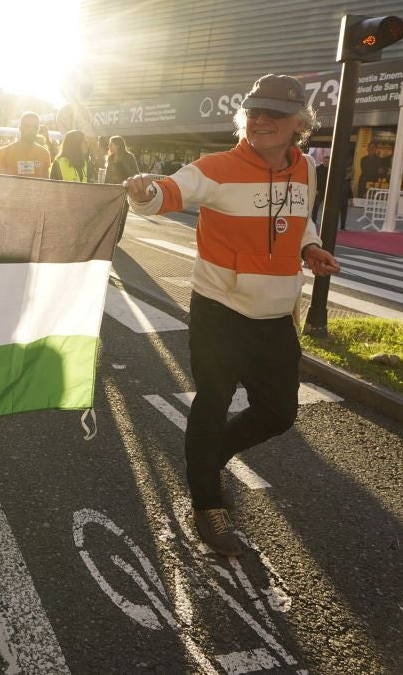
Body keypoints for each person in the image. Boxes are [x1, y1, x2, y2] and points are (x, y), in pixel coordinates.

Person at [125, 74, 340, 557]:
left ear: (298, 125)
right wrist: (144, 192)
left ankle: (209, 456)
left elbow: (301, 217)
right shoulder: (216, 166)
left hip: (276, 312)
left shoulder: (305, 168)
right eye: (254, 112)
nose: (261, 120)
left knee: (279, 413)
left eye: (274, 114)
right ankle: (207, 503)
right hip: (220, 308)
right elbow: (167, 192)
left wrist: (311, 247)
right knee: (213, 400)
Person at [0, 111, 51, 178]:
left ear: (38, 130)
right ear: (20, 128)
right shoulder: (4, 152)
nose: (31, 130)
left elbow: (47, 183)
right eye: (27, 126)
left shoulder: (44, 154)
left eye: (35, 127)